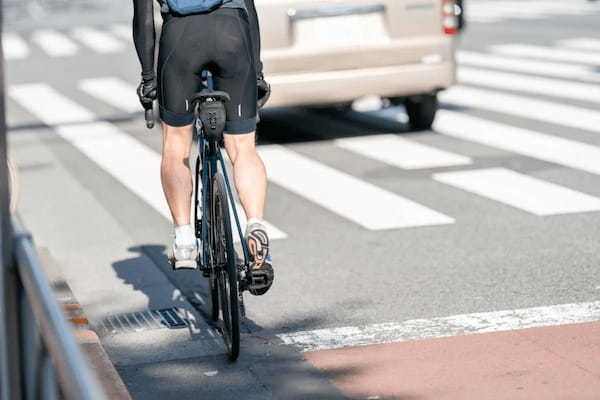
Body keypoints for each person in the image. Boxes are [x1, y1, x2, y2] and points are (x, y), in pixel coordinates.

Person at [132, 0, 274, 295]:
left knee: (176, 144)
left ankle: (184, 239)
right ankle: (255, 224)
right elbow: (249, 9)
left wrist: (148, 79)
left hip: (180, 39)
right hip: (232, 33)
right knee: (242, 147)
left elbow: (143, 21)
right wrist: (257, 71)